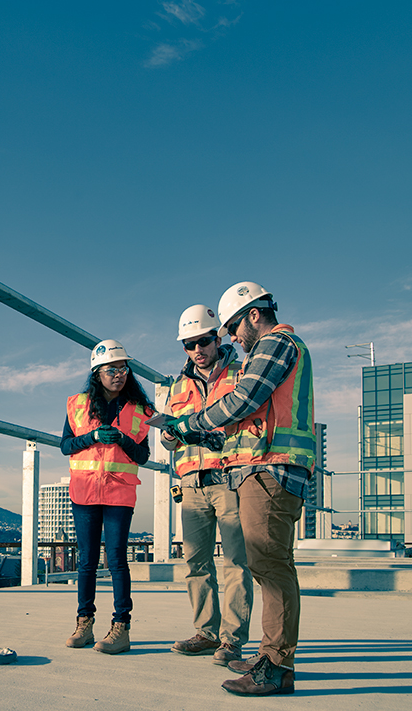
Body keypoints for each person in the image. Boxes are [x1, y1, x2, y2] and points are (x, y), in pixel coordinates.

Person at [159, 282, 315, 697]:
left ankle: (275, 665)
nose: (232, 339)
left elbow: (243, 400)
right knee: (267, 565)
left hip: (272, 471)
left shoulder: (276, 344)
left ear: (252, 315)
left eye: (229, 329)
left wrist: (190, 425)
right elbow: (247, 419)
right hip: (255, 470)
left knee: (269, 566)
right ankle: (270, 656)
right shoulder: (268, 350)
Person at [162, 305, 254, 667]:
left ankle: (232, 641)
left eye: (203, 341)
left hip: (229, 478)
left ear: (217, 338)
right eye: (189, 344)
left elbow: (246, 417)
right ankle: (206, 632)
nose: (197, 349)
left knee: (235, 563)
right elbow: (169, 441)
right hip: (191, 484)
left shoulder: (239, 373)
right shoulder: (178, 385)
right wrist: (171, 434)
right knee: (196, 562)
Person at [60, 339, 154, 655]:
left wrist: (124, 441)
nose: (119, 374)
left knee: (116, 559)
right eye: (111, 369)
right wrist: (93, 437)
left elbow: (142, 455)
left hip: (119, 493)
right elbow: (66, 446)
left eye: (123, 368)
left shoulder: (141, 410)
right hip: (84, 492)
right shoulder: (77, 405)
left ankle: (121, 627)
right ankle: (84, 623)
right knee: (86, 561)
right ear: (97, 373)